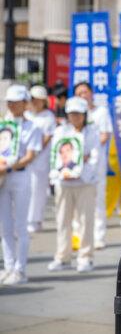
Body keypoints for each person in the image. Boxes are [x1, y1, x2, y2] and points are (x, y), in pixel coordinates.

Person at [47, 97, 101, 273]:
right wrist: (63, 170)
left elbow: (95, 158)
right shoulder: (61, 131)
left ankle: (86, 257)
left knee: (85, 220)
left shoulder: (93, 132)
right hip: (64, 182)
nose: (75, 117)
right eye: (72, 114)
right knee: (63, 220)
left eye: (78, 114)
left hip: (85, 182)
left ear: (85, 114)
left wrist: (79, 167)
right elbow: (56, 154)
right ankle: (62, 257)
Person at [0, 85, 42, 285]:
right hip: (2, 179)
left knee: (20, 226)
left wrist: (8, 168)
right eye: (9, 101)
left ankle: (20, 269)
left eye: (16, 101)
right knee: (4, 226)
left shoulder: (33, 127)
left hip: (20, 177)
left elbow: (30, 156)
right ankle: (8, 267)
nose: (12, 104)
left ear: (25, 103)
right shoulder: (2, 124)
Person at [73, 82, 113, 248]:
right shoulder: (73, 112)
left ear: (91, 93)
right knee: (76, 200)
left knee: (97, 199)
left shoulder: (101, 112)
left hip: (96, 162)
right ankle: (77, 235)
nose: (83, 95)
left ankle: (98, 236)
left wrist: (89, 150)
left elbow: (105, 134)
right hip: (76, 163)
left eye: (85, 92)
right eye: (79, 93)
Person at [25, 85, 56, 233]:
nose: (35, 102)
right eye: (33, 99)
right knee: (27, 190)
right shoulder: (27, 115)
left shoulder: (48, 116)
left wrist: (34, 151)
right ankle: (26, 219)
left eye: (38, 100)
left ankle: (36, 220)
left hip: (40, 160)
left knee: (38, 190)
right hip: (25, 160)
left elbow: (47, 137)